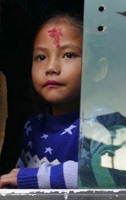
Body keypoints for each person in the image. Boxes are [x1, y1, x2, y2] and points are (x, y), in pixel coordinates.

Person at [0, 13, 83, 189]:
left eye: (68, 55)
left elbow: (108, 174)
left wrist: (34, 177)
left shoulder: (103, 124)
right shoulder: (33, 125)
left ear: (98, 69)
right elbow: (17, 177)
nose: (51, 68)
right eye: (41, 57)